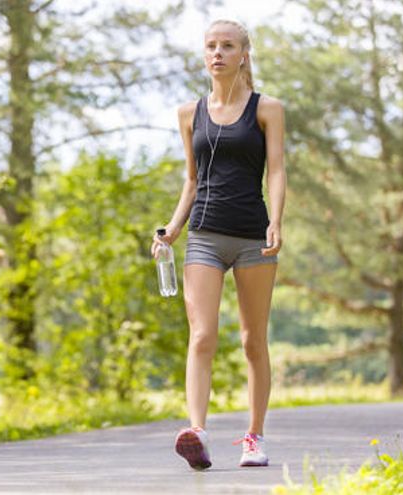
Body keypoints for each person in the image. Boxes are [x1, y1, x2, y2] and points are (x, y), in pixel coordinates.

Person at [150, 18, 286, 470]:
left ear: (243, 54)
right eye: (211, 46)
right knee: (202, 335)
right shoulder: (190, 114)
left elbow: (278, 170)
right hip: (204, 235)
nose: (218, 54)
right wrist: (171, 230)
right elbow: (191, 180)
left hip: (253, 236)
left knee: (252, 341)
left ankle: (254, 438)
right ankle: (198, 432)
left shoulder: (268, 109)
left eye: (228, 46)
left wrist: (278, 222)